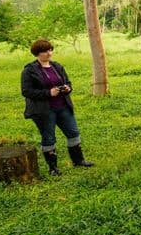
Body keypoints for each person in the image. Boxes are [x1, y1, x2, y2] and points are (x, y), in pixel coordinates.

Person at [21, 39, 93, 176]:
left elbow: (68, 82)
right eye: (45, 51)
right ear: (37, 53)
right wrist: (48, 93)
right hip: (44, 110)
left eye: (50, 50)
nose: (49, 53)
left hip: (63, 106)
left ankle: (78, 161)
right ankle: (53, 168)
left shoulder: (57, 66)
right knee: (49, 138)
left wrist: (67, 88)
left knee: (73, 133)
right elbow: (26, 91)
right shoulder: (29, 70)